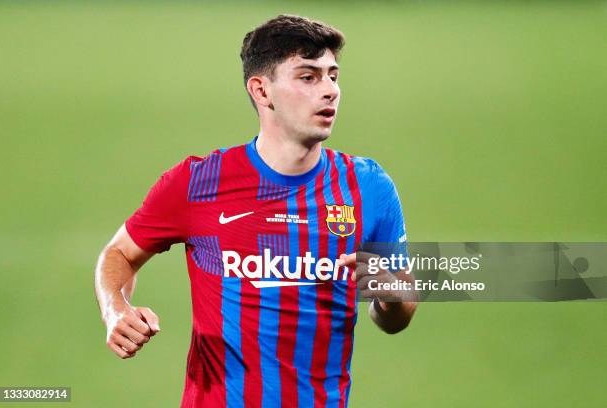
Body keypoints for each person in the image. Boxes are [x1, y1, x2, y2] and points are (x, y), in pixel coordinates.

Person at [94, 14, 417, 408]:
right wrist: (116, 309)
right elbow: (120, 253)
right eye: (308, 77)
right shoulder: (198, 182)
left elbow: (396, 317)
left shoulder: (368, 187)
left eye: (333, 75)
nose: (330, 90)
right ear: (262, 91)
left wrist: (390, 294)